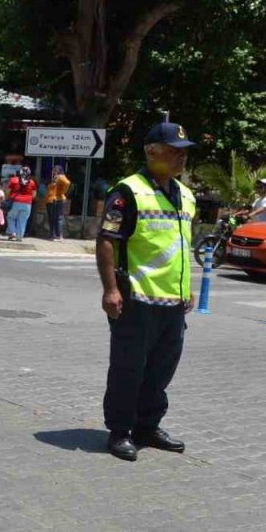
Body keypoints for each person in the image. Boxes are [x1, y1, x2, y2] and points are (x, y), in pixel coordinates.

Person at [96, 122, 195, 462]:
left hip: (173, 302)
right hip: (136, 298)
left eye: (184, 152)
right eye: (173, 151)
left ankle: (147, 427)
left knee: (161, 370)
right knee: (128, 368)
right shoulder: (128, 192)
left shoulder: (186, 195)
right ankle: (120, 431)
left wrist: (187, 287)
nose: (181, 157)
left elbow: (180, 245)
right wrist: (110, 289)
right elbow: (106, 241)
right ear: (151, 152)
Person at [6, 167, 37, 241]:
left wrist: (7, 198)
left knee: (10, 217)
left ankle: (13, 232)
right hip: (27, 204)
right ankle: (19, 237)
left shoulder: (14, 180)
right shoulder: (32, 182)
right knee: (22, 221)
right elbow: (34, 195)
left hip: (15, 202)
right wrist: (28, 199)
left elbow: (7, 191)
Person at [45, 165, 71, 241]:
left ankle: (58, 235)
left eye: (55, 170)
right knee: (52, 218)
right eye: (53, 170)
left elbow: (67, 183)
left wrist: (62, 192)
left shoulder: (60, 177)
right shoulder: (54, 178)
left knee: (58, 218)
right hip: (52, 200)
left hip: (57, 200)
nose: (53, 171)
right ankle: (53, 234)